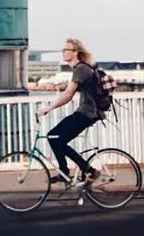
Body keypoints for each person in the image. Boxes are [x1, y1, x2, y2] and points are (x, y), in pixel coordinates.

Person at [36, 38, 102, 185]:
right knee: (53, 136)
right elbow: (68, 95)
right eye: (63, 50)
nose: (63, 52)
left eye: (66, 50)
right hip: (84, 112)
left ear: (75, 52)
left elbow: (68, 94)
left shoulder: (81, 69)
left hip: (87, 113)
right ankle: (64, 172)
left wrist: (48, 108)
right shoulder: (79, 69)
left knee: (58, 139)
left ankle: (89, 170)